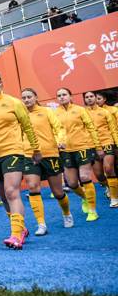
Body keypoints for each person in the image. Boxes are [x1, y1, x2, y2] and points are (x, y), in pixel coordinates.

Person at [0, 70, 40, 250]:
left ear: (1, 83)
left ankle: (16, 235)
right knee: (3, 195)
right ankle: (21, 228)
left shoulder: (14, 103)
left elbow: (27, 127)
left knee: (12, 192)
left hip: (12, 151)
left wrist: (36, 149)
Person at [20, 88, 73, 234]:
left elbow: (59, 128)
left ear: (36, 97)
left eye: (29, 96)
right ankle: (41, 224)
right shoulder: (20, 115)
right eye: (23, 98)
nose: (26, 100)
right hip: (29, 155)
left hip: (50, 154)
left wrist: (61, 141)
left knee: (58, 192)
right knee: (32, 187)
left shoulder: (47, 112)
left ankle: (67, 213)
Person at [55, 87, 102, 221]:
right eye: (59, 95)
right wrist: (58, 142)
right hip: (65, 151)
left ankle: (93, 211)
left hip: (83, 147)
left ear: (70, 96)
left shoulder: (80, 110)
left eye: (64, 94)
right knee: (72, 183)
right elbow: (55, 131)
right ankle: (85, 198)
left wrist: (97, 146)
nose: (62, 97)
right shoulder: (55, 113)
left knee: (85, 177)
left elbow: (91, 128)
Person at [83, 91, 118, 208]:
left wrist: (116, 144)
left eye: (91, 96)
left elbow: (113, 129)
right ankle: (109, 187)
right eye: (86, 97)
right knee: (99, 175)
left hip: (107, 142)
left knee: (108, 169)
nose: (89, 99)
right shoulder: (82, 113)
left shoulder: (105, 112)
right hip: (91, 145)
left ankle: (114, 198)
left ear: (95, 98)